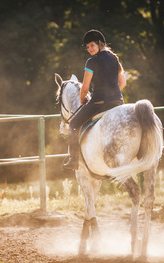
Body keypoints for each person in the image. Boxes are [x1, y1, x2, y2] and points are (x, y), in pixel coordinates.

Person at [63, 29, 127, 170]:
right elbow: (122, 83)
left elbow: (85, 88)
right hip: (118, 102)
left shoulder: (91, 62)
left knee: (73, 124)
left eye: (92, 45)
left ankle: (74, 160)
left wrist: (82, 99)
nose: (90, 49)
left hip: (99, 103)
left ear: (99, 44)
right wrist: (112, 94)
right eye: (87, 47)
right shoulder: (114, 58)